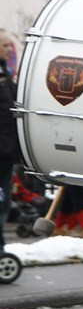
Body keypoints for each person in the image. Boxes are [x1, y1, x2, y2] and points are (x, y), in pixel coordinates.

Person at [0, 41, 17, 251]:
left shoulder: (5, 75)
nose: (8, 48)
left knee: (3, 203)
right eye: (3, 44)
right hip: (2, 153)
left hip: (6, 154)